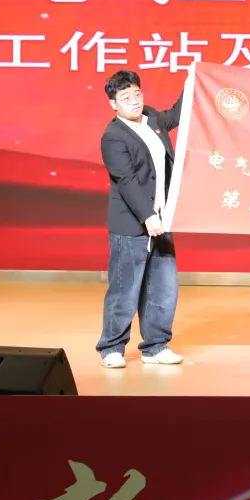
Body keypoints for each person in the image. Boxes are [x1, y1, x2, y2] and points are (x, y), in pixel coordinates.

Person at [97, 70, 185, 368]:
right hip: (132, 223)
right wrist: (147, 216)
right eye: (126, 98)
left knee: (163, 287)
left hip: (163, 218)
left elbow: (178, 113)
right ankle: (111, 348)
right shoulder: (113, 136)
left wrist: (194, 80)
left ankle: (156, 346)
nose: (134, 101)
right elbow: (127, 181)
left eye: (137, 94)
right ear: (113, 103)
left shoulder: (152, 118)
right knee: (125, 288)